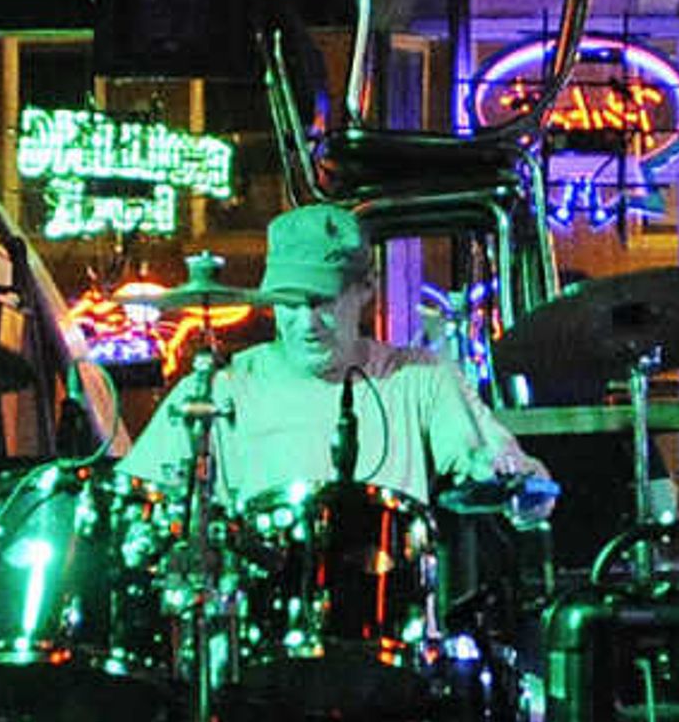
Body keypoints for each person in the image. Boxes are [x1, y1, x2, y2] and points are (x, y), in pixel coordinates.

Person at [120, 199, 550, 517]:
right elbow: (133, 504)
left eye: (323, 301)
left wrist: (509, 474)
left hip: (389, 618)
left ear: (366, 289)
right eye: (289, 303)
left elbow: (513, 477)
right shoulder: (217, 390)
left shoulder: (420, 378)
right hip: (252, 627)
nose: (306, 322)